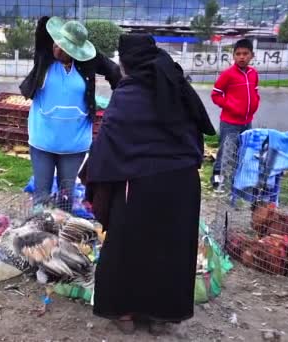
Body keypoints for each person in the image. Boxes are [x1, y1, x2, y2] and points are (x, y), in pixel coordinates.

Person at [80, 34, 216, 335]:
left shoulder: (129, 94)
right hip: (182, 184)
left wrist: (93, 180)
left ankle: (125, 313)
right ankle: (160, 316)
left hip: (140, 187)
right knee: (170, 248)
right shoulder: (176, 86)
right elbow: (198, 133)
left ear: (127, 62)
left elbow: (107, 146)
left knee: (128, 247)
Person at [20, 16, 121, 209]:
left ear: (76, 51)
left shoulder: (88, 61)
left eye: (64, 48)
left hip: (74, 141)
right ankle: (38, 231)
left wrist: (120, 98)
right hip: (43, 137)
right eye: (57, 44)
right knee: (42, 194)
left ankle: (64, 232)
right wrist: (47, 22)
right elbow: (42, 34)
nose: (57, 49)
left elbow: (114, 71)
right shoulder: (45, 58)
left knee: (66, 195)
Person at [211, 38, 260, 189]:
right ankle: (217, 178)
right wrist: (231, 106)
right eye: (238, 54)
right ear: (233, 56)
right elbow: (216, 95)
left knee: (242, 151)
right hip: (229, 122)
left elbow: (255, 91)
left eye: (245, 53)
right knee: (225, 151)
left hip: (247, 122)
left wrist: (255, 103)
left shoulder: (253, 74)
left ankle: (235, 178)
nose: (241, 57)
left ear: (252, 55)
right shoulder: (228, 74)